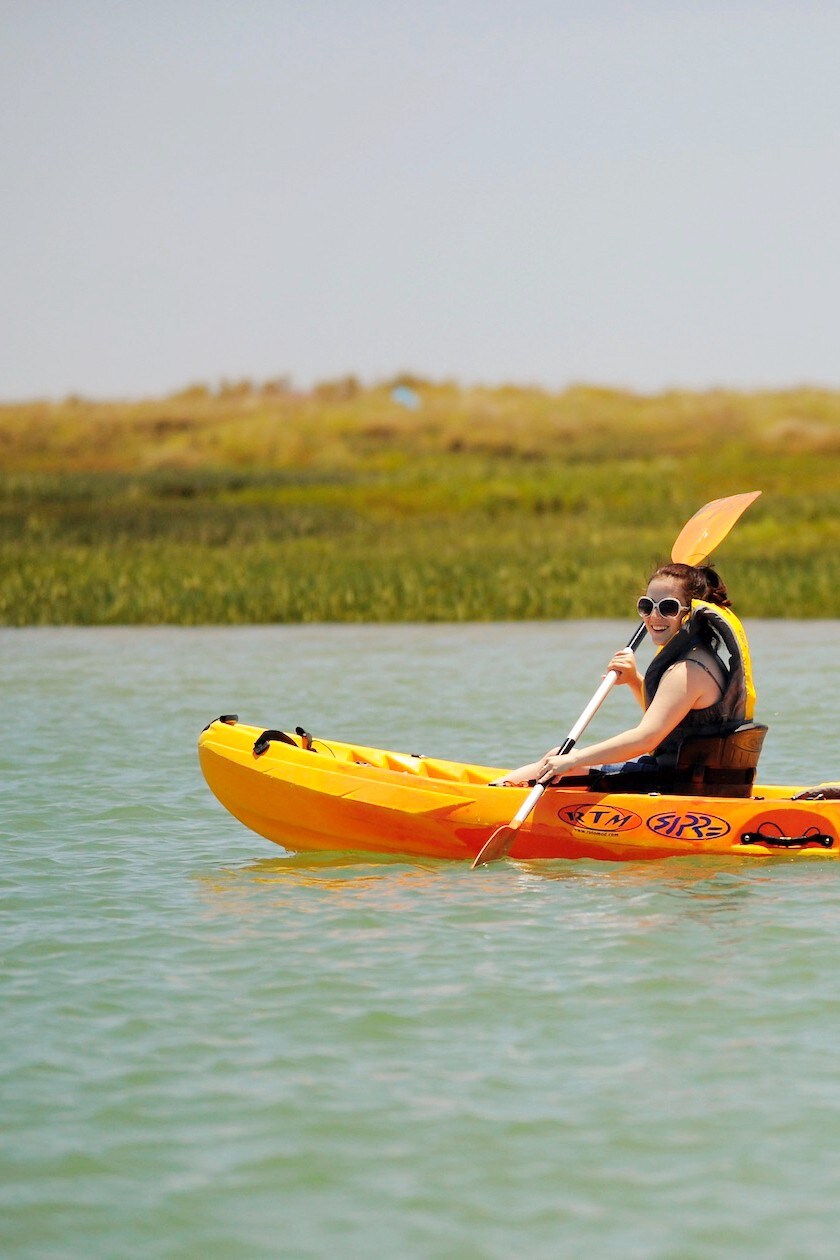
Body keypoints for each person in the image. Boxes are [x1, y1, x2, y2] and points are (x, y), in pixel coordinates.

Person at [495, 562, 756, 788]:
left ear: (690, 614)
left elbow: (647, 738)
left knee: (562, 759)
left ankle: (494, 794)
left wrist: (574, 759)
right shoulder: (701, 658)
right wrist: (634, 680)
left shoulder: (687, 671)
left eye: (667, 607)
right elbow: (670, 721)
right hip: (689, 780)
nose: (654, 616)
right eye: (646, 605)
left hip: (675, 786)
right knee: (561, 759)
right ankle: (498, 788)